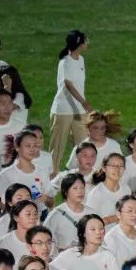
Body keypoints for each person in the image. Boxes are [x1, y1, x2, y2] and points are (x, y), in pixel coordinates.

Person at [49, 31, 90, 170]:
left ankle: (81, 175)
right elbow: (68, 85)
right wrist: (83, 101)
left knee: (84, 146)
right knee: (57, 148)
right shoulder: (65, 62)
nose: (87, 43)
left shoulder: (81, 59)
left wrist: (82, 104)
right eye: (85, 40)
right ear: (80, 44)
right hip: (63, 110)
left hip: (79, 110)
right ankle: (51, 176)